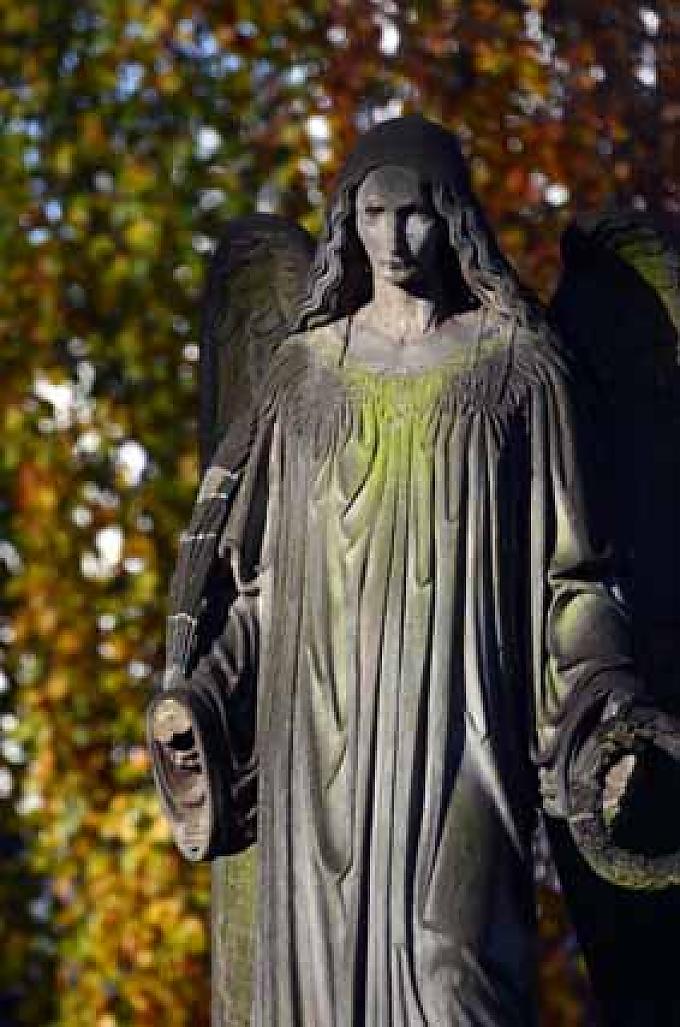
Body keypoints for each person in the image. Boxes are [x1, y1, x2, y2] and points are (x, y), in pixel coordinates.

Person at [148, 116, 646, 1026]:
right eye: (372, 213)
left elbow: (577, 580)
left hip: (465, 740)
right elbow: (252, 593)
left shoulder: (521, 372)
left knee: (458, 980)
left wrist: (603, 698)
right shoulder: (302, 380)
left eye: (416, 214)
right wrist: (203, 697)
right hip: (319, 763)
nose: (394, 238)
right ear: (346, 219)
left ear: (453, 217)